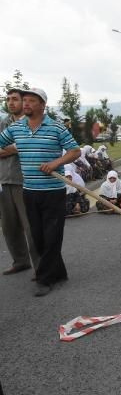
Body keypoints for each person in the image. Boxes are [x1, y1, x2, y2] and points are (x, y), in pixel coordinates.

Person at [0, 88, 81, 296]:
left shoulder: (56, 127)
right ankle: (60, 272)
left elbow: (75, 151)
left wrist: (56, 163)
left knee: (52, 235)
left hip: (53, 191)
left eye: (31, 101)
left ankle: (45, 279)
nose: (26, 104)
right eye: (24, 100)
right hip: (29, 190)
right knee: (38, 236)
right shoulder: (16, 128)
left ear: (42, 105)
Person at [0, 88, 39, 276]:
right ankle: (20, 261)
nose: (10, 102)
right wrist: (16, 148)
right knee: (9, 226)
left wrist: (15, 147)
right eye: (8, 99)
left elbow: (30, 147)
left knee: (30, 226)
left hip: (25, 180)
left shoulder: (31, 123)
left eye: (15, 99)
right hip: (3, 180)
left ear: (24, 103)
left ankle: (41, 267)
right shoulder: (4, 123)